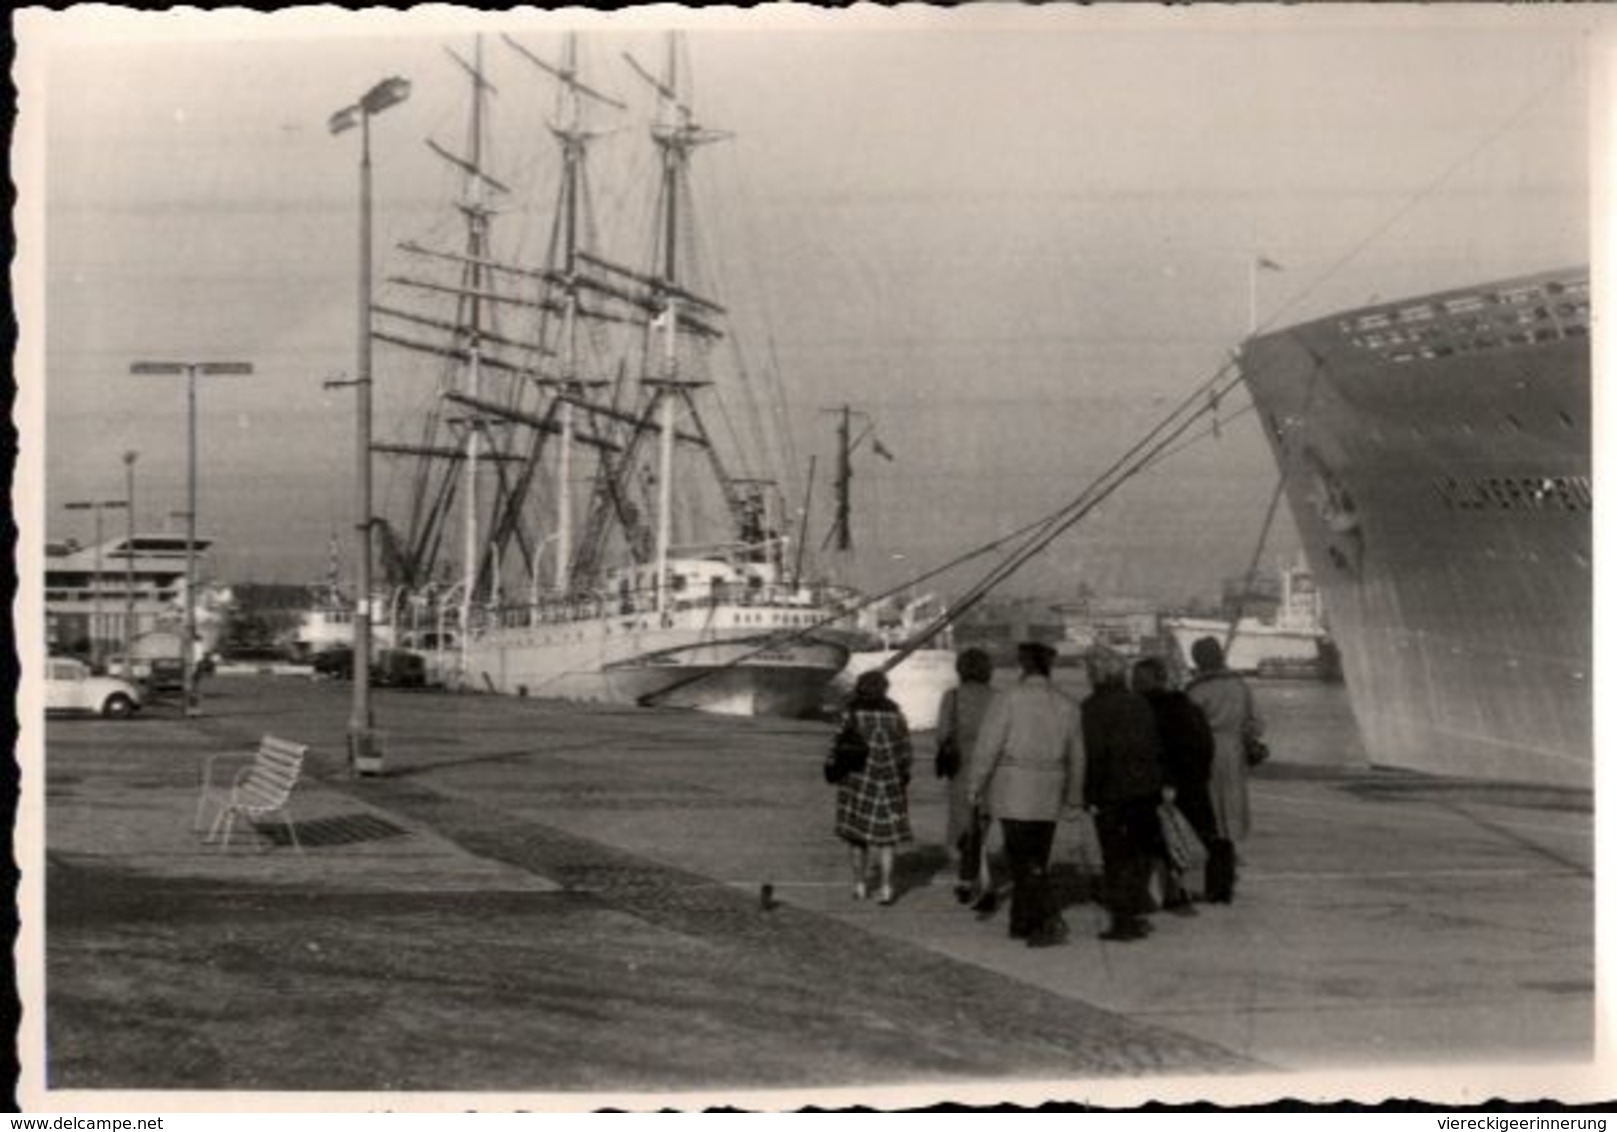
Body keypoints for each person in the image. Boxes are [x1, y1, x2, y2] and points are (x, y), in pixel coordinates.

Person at [967, 642, 1085, 948]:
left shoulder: (1008, 699)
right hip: (1049, 789)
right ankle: (1022, 919)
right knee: (1037, 856)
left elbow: (987, 746)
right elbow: (1078, 756)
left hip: (1013, 788)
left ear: (1023, 666)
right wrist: (1074, 796)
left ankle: (1036, 921)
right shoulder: (1067, 704)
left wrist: (975, 785)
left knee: (1020, 859)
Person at [1081, 645, 1166, 943]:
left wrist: (1087, 795)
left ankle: (1123, 921)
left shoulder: (1091, 708)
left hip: (1110, 794)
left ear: (1096, 673)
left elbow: (1092, 756)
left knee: (1114, 857)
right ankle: (1135, 908)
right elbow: (1154, 747)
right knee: (1138, 853)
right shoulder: (1139, 703)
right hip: (1143, 791)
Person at [1131, 655, 1216, 913]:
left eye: (1135, 679)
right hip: (1189, 784)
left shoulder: (1139, 710)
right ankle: (1179, 890)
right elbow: (1205, 746)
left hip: (1154, 785)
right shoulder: (1187, 706)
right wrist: (1196, 778)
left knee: (1152, 841)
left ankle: (1157, 894)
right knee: (1179, 839)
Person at [1184, 636, 1260, 904]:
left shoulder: (1195, 691)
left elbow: (1187, 729)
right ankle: (1225, 883)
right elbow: (1256, 724)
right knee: (1229, 817)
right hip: (1234, 753)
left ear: (1198, 660)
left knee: (1208, 816)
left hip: (1206, 754)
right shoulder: (1240, 686)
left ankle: (1211, 883)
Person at [834, 669, 914, 905]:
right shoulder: (895, 713)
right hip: (889, 779)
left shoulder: (852, 713)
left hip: (858, 779)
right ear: (884, 688)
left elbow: (838, 745)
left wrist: (835, 770)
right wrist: (902, 773)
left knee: (856, 837)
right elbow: (906, 748)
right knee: (887, 840)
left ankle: (860, 885)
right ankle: (887, 888)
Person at [935, 647, 996, 905]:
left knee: (963, 828)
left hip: (962, 769)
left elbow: (942, 735)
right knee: (982, 827)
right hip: (992, 770)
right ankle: (979, 879)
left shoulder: (953, 697)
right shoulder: (998, 697)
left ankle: (970, 880)